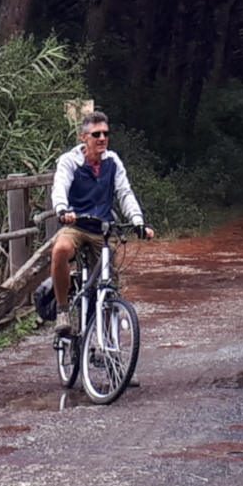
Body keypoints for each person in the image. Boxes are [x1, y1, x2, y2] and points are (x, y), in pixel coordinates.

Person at [50, 111, 154, 335]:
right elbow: (60, 186)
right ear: (83, 137)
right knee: (60, 250)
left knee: (108, 286)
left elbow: (124, 192)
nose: (102, 138)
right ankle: (62, 310)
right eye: (96, 134)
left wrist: (137, 221)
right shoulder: (70, 161)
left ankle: (105, 340)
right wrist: (62, 209)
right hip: (76, 225)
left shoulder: (112, 162)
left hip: (103, 229)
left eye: (106, 134)